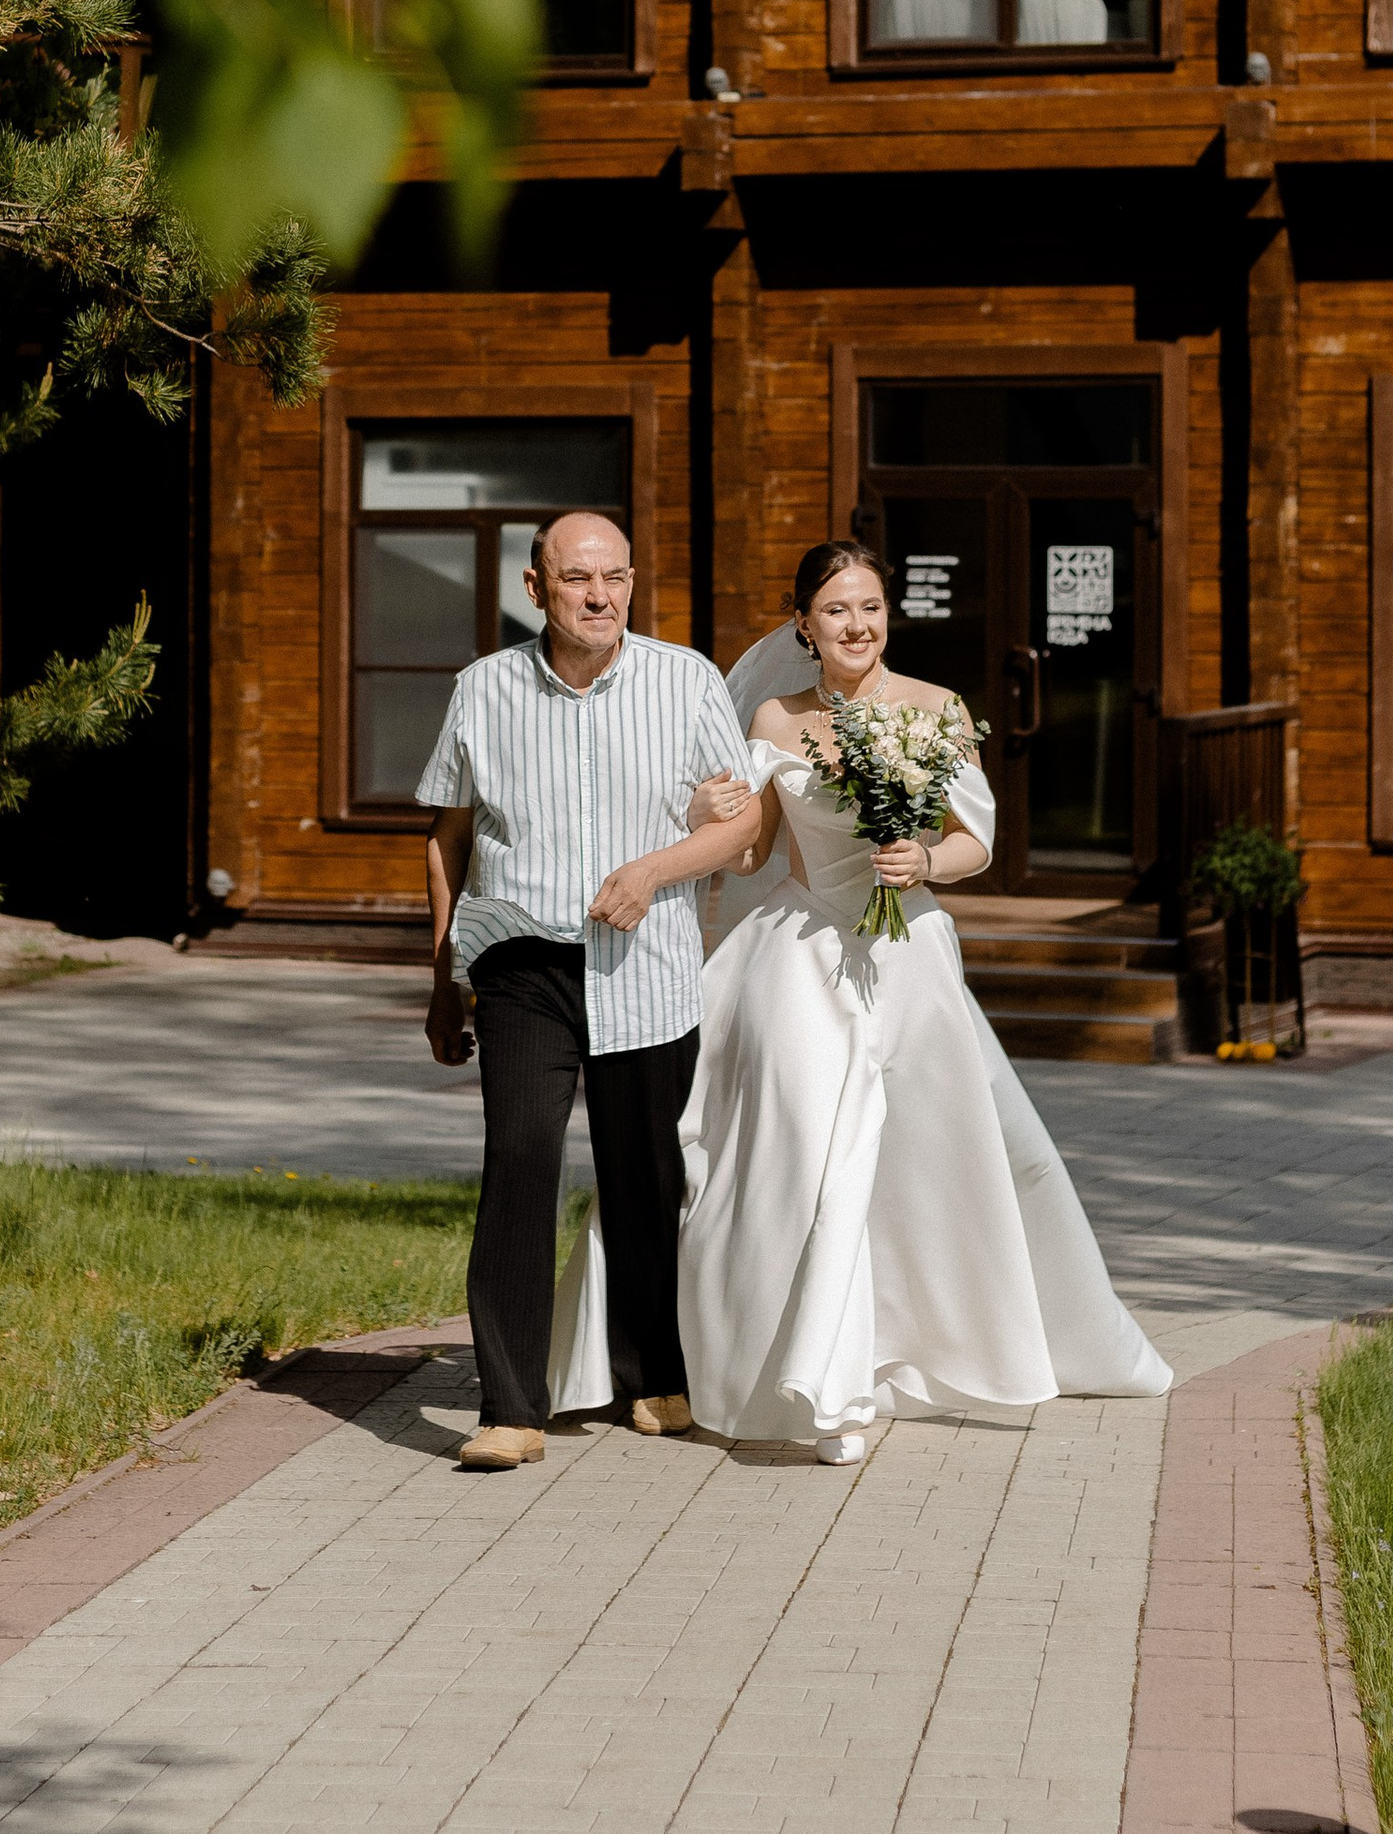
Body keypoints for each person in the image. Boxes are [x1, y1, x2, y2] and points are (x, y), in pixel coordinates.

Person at [551, 536, 1169, 1457]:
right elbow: (756, 851)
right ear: (803, 623)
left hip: (906, 950)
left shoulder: (935, 711)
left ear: (890, 614)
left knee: (929, 1155)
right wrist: (703, 815)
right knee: (806, 1140)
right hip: (799, 952)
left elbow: (975, 842)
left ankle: (905, 1342)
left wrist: (922, 859)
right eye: (836, 610)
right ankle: (780, 1364)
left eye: (871, 607)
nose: (857, 626)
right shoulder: (773, 720)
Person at [418, 509, 758, 1473]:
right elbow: (447, 837)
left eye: (614, 577)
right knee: (520, 1165)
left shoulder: (685, 679)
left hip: (645, 967)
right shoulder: (482, 690)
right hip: (521, 964)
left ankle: (653, 1375)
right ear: (536, 590)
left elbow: (739, 826)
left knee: (646, 1173)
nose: (599, 595)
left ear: (634, 582)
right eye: (576, 579)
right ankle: (511, 1408)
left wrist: (653, 871)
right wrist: (444, 978)